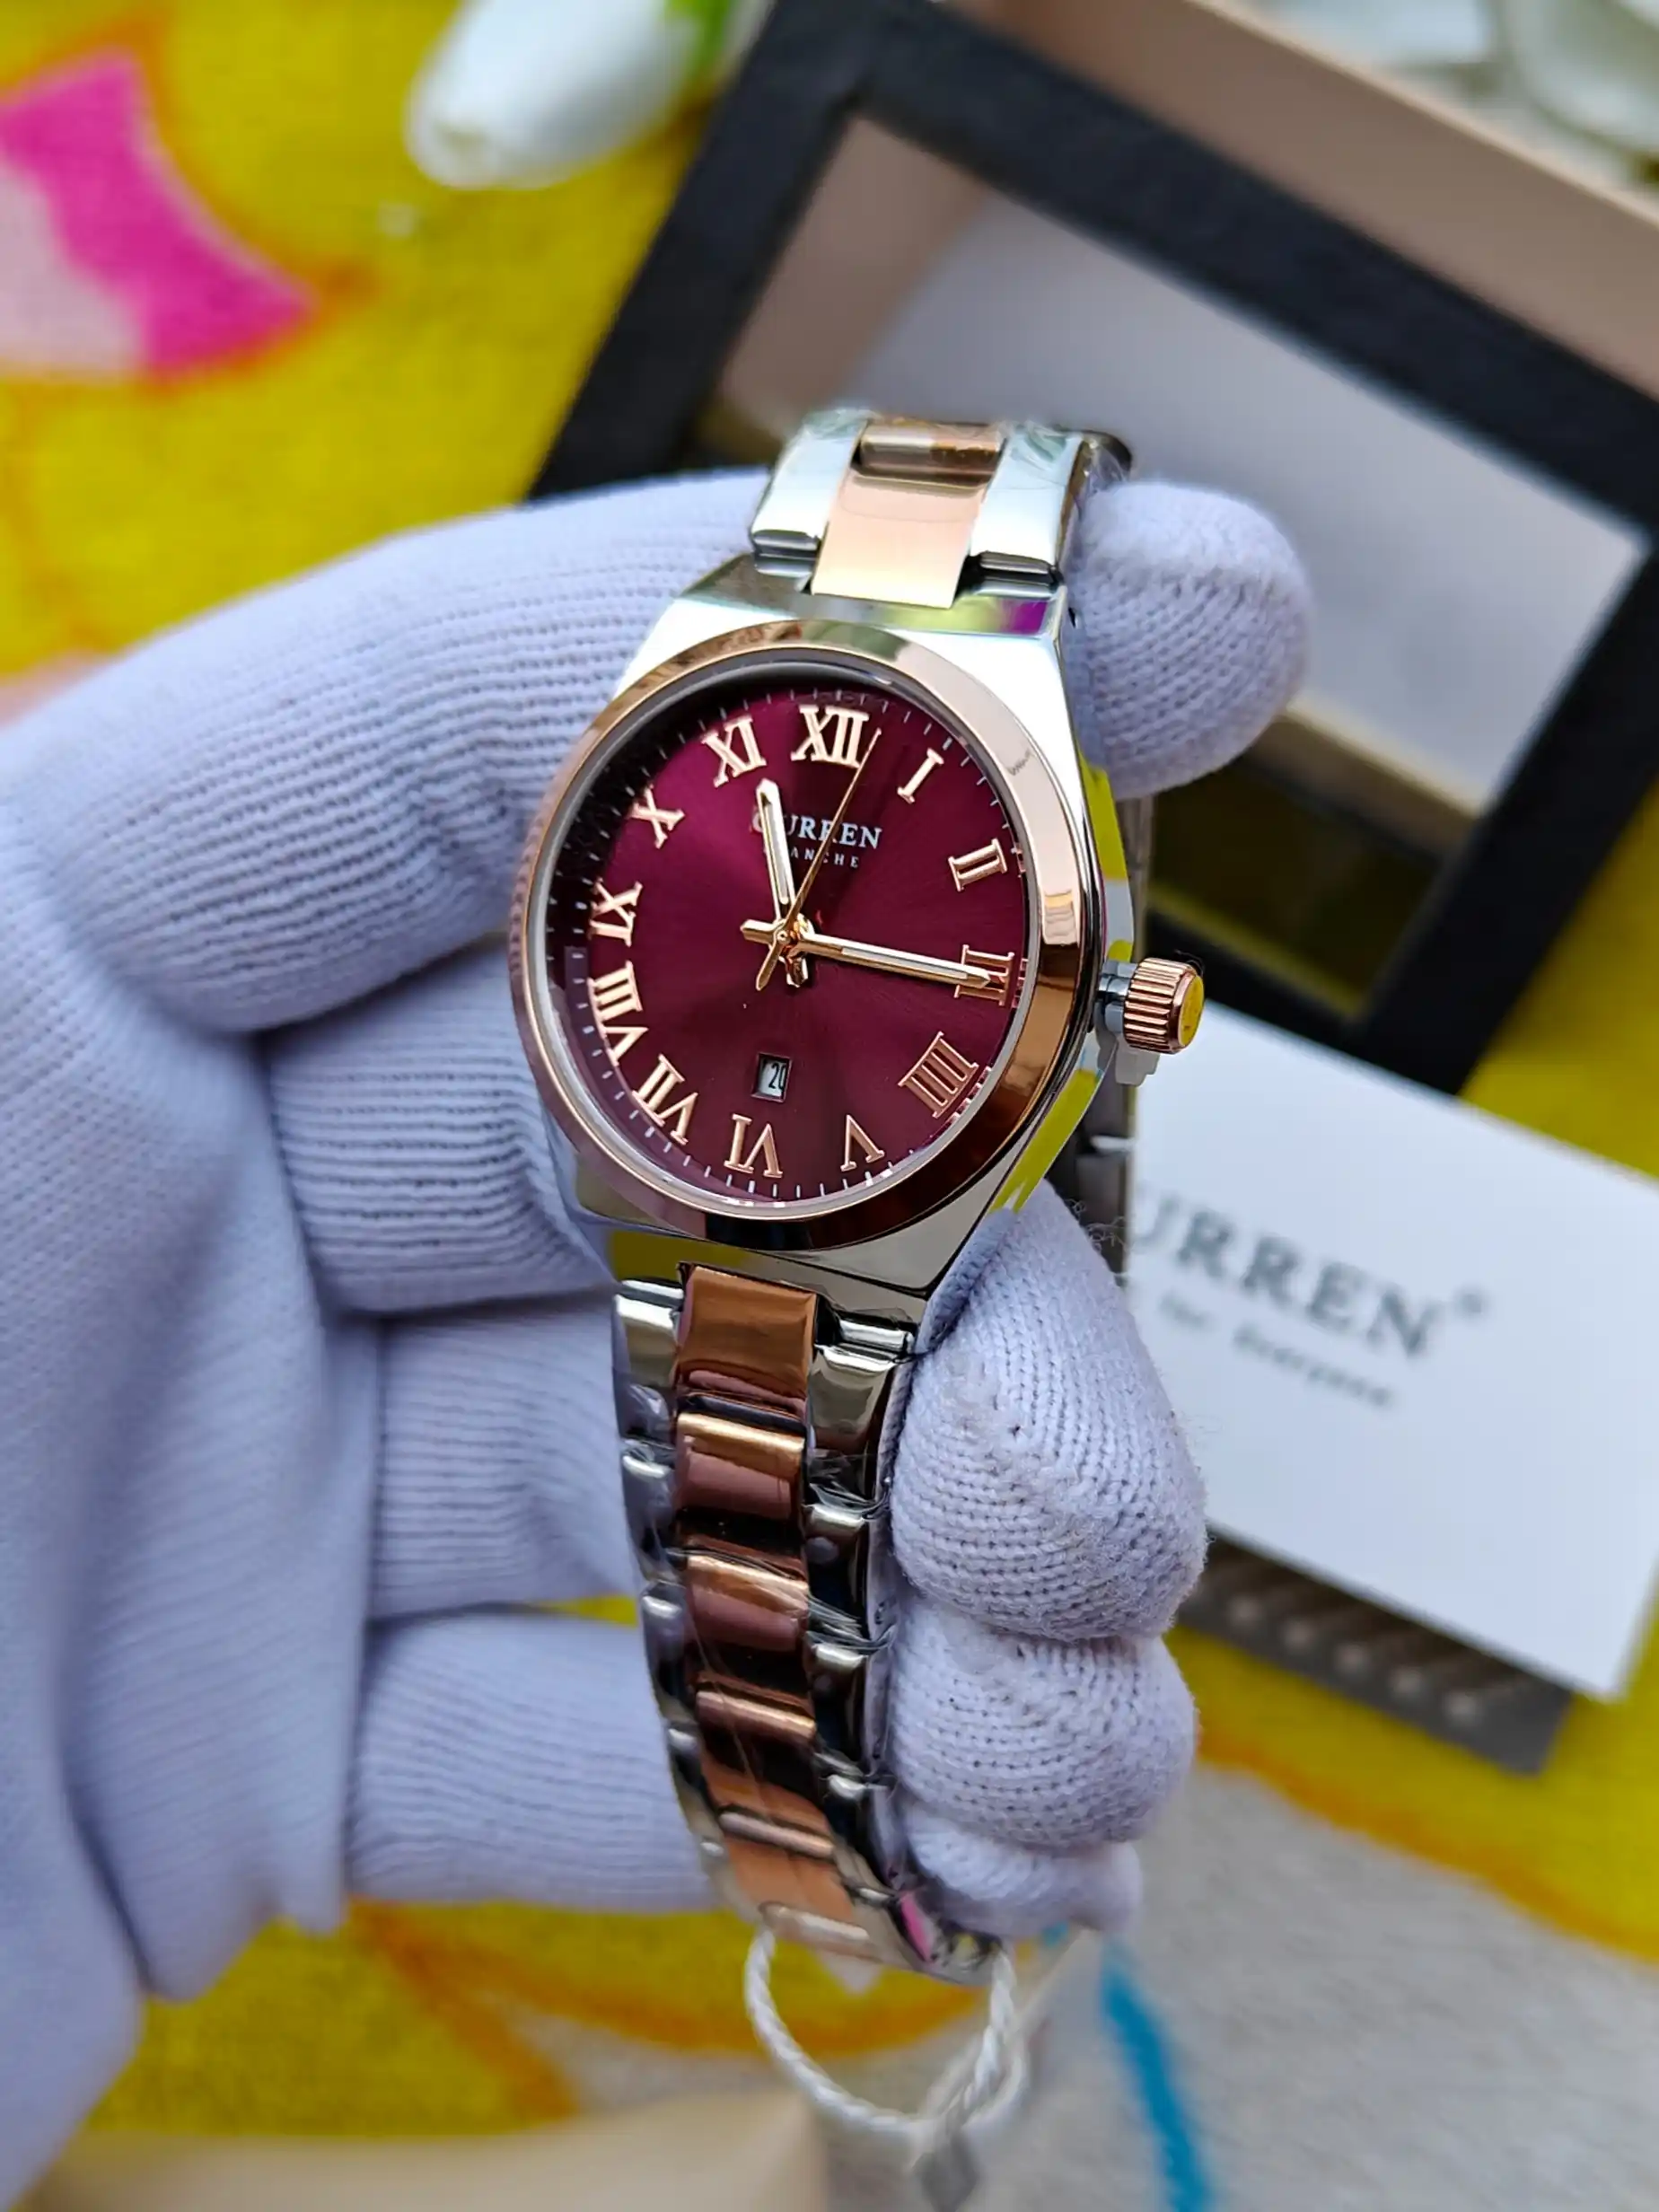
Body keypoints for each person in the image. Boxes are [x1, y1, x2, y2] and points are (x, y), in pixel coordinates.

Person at [0, 463, 1307, 2194]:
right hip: (668, 1138)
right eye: (782, 916)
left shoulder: (1031, 965)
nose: (792, 933)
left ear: (1116, 1002)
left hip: (843, 1156)